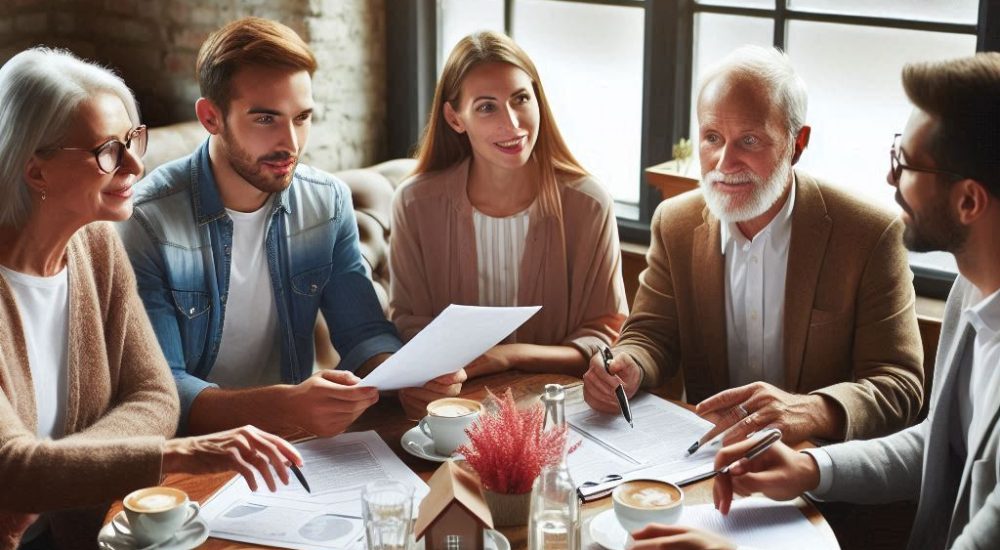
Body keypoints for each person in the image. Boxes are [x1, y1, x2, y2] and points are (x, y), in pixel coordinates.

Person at [0, 48, 303, 550]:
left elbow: (155, 397)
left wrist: (48, 477)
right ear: (36, 172)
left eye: (132, 140)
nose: (136, 165)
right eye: (107, 151)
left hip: (87, 531)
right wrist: (178, 454)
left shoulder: (96, 245)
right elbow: (12, 464)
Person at [699, 51, 1000, 550]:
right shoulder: (970, 290)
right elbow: (940, 446)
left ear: (968, 201)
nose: (889, 180)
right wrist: (810, 467)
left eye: (904, 163)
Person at [118, 17, 465, 431]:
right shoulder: (147, 219)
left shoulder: (326, 202)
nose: (292, 143)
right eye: (266, 119)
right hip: (197, 450)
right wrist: (286, 405)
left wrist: (407, 381)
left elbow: (364, 332)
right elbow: (165, 388)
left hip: (296, 444)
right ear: (211, 117)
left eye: (302, 118)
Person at [584, 45, 924, 445]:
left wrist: (809, 411)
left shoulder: (869, 234)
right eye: (712, 138)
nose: (724, 163)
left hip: (817, 472)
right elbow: (652, 335)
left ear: (797, 144)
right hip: (706, 461)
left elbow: (899, 385)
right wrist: (629, 366)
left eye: (749, 140)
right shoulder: (674, 223)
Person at [390, 31, 628, 381]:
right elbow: (410, 327)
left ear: (538, 100)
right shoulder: (414, 204)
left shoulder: (589, 204)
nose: (513, 124)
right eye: (487, 107)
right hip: (450, 406)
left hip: (560, 408)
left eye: (520, 99)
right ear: (455, 119)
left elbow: (604, 337)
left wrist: (507, 357)